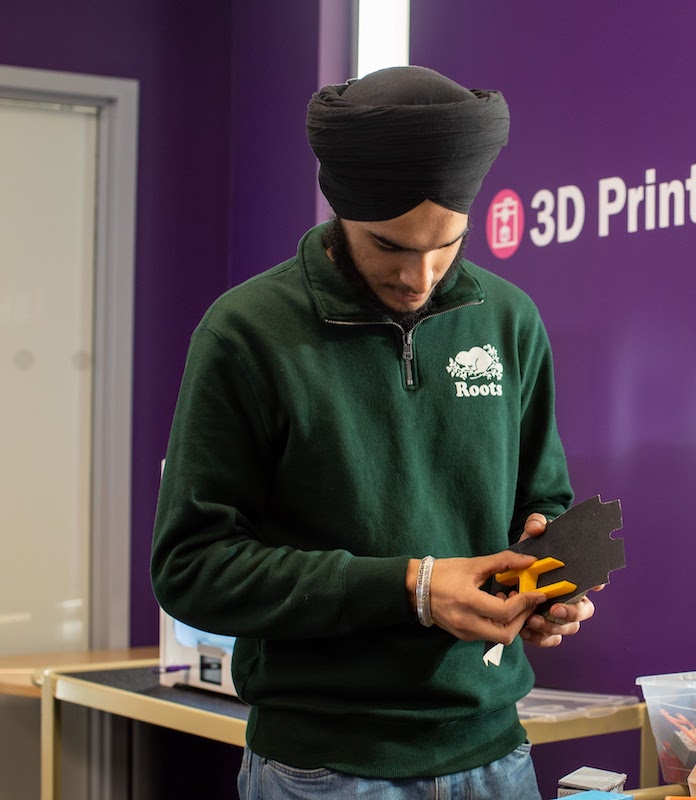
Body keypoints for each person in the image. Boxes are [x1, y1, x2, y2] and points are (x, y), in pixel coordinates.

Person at [151, 65, 592, 800]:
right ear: (341, 212)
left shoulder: (510, 321)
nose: (420, 275)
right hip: (324, 770)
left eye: (446, 244)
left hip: (497, 758)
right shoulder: (246, 334)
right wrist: (412, 588)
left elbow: (543, 502)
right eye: (390, 246)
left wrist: (547, 583)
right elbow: (193, 568)